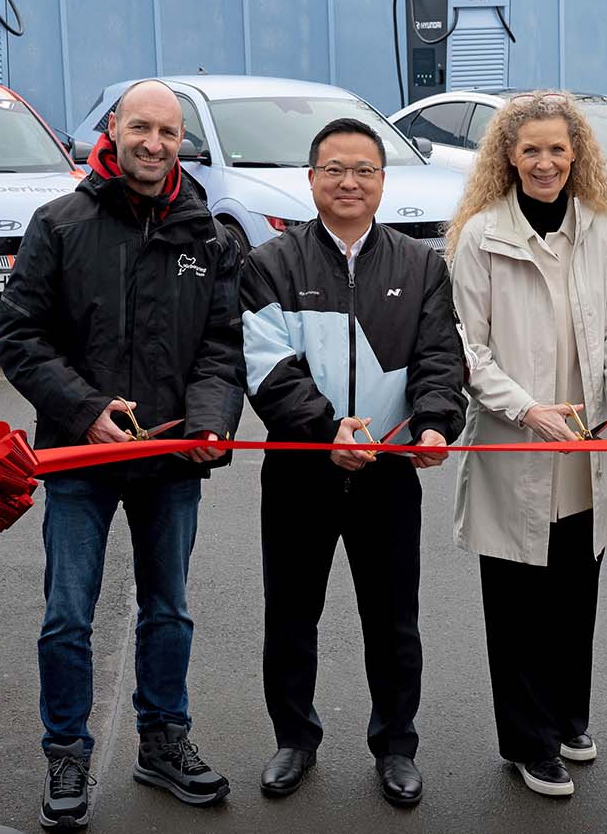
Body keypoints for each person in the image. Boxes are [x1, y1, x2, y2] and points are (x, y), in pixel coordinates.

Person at [0, 79, 245, 829]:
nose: (154, 144)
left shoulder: (209, 237)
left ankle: (163, 740)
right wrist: (82, 409)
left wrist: (207, 422)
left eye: (168, 133)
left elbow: (222, 350)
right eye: (141, 128)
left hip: (171, 464)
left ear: (181, 143)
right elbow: (18, 337)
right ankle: (65, 750)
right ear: (112, 128)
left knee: (168, 609)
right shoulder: (60, 223)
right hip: (79, 461)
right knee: (67, 614)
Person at [239, 117, 466, 807]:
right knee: (291, 613)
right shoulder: (269, 265)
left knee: (394, 619)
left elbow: (440, 359)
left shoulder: (421, 265)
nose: (348, 182)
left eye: (363, 169)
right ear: (310, 180)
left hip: (391, 472)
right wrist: (324, 428)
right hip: (301, 469)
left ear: (381, 181)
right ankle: (294, 740)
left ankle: (396, 747)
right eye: (333, 169)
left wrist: (433, 425)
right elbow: (267, 370)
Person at [445, 91, 607, 798]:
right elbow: (467, 350)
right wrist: (527, 409)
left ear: (576, 154)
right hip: (516, 446)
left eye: (558, 149)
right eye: (530, 149)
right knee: (518, 604)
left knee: (573, 594)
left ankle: (567, 717)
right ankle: (529, 744)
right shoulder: (479, 238)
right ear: (508, 155)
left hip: (587, 449)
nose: (545, 162)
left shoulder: (600, 229)